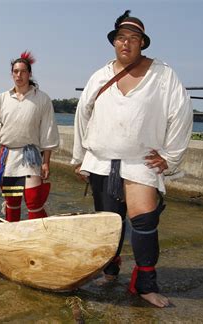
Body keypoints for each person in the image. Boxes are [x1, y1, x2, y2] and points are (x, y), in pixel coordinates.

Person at [72, 10, 193, 308]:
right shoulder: (100, 75)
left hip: (141, 162)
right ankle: (110, 272)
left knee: (144, 222)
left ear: (142, 43)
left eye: (133, 39)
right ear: (114, 42)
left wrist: (170, 156)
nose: (126, 44)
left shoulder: (163, 74)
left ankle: (145, 285)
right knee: (110, 223)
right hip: (101, 161)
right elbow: (81, 114)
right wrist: (80, 157)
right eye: (121, 38)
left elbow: (182, 113)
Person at [0, 51, 60, 222]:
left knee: (34, 200)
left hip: (30, 157)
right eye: (15, 71)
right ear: (12, 74)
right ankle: (12, 236)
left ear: (29, 74)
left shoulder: (42, 99)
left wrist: (46, 162)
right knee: (12, 201)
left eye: (23, 71)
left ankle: (40, 237)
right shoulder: (2, 99)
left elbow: (48, 131)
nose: (19, 75)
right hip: (8, 157)